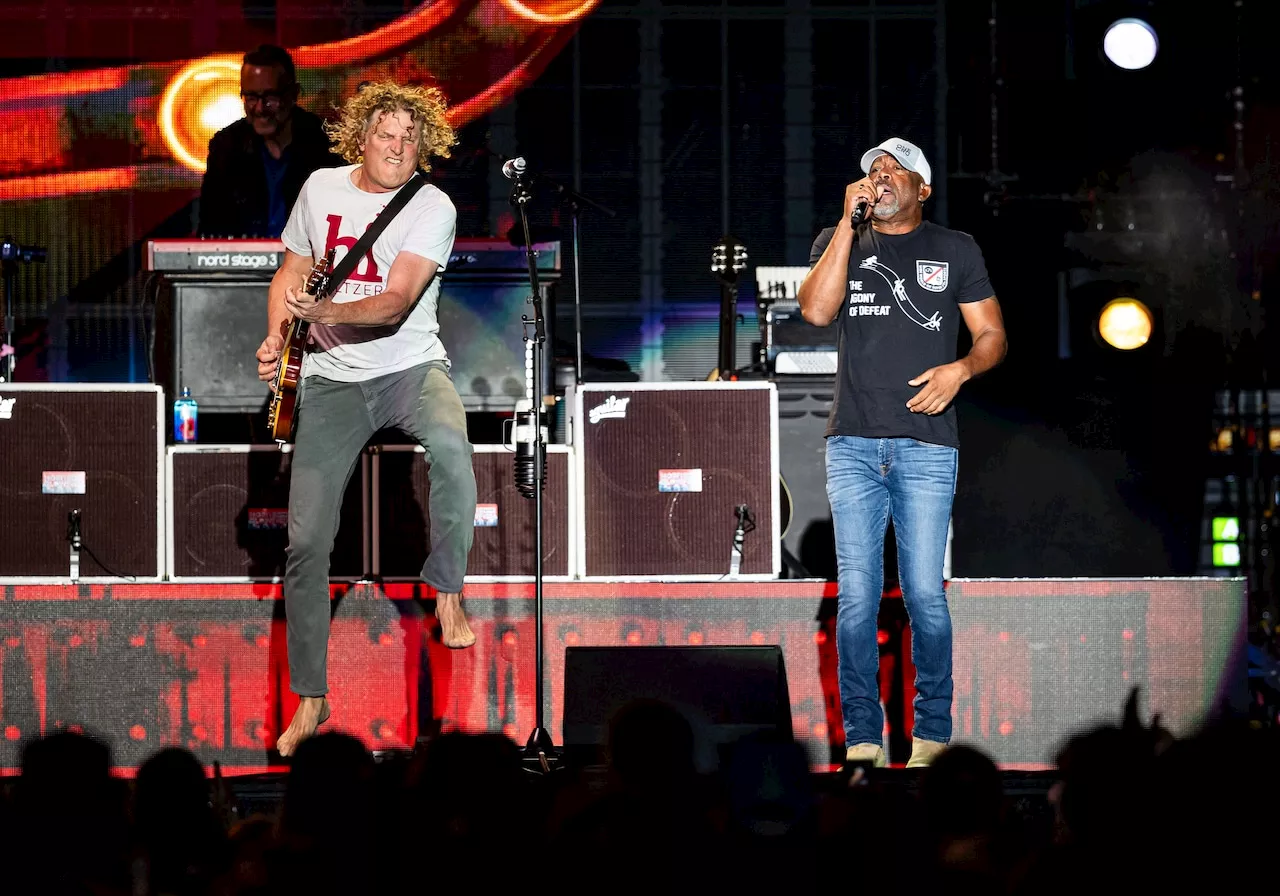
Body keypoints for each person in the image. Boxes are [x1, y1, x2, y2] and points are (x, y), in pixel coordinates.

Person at [255, 81, 477, 757]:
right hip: (330, 381)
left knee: (453, 447)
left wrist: (320, 314)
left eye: (411, 139)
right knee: (306, 542)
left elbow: (395, 303)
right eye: (387, 135)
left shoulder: (432, 204)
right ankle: (312, 699)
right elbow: (288, 273)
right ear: (361, 137)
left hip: (409, 368)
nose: (399, 148)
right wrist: (278, 340)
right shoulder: (321, 189)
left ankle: (445, 591)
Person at [797, 137, 1007, 769]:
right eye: (871, 169)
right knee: (858, 597)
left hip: (926, 447)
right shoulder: (842, 241)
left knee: (923, 595)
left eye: (894, 169)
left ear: (923, 186)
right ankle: (862, 738)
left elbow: (993, 333)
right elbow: (814, 310)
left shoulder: (954, 248)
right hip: (853, 443)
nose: (879, 176)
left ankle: (931, 739)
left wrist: (962, 370)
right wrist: (844, 223)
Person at [198, 44, 342, 238]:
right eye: (250, 97)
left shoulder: (327, 144)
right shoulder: (225, 147)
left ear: (293, 95)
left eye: (270, 98)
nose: (259, 108)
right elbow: (210, 229)